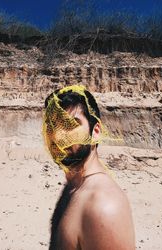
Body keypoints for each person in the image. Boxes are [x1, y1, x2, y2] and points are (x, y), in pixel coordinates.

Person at [43, 85, 135, 250]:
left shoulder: (104, 206)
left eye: (71, 124)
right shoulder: (74, 186)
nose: (58, 136)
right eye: (52, 127)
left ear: (96, 132)